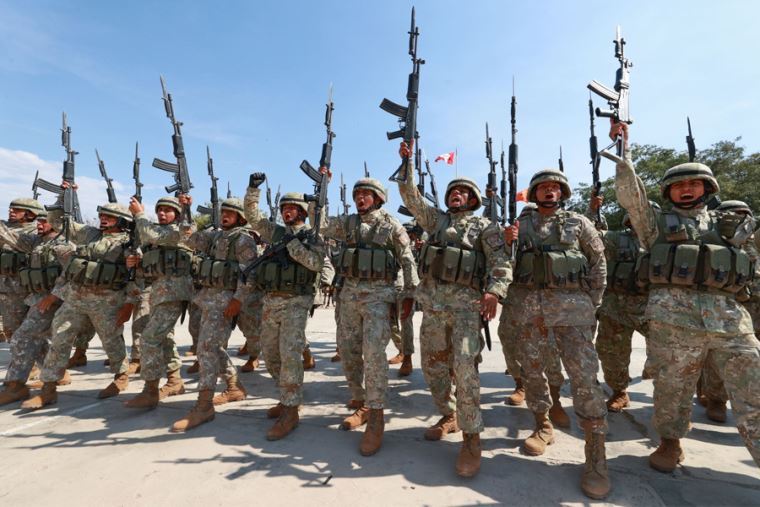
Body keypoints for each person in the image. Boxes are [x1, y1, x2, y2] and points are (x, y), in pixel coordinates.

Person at [612, 121, 760, 472]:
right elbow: (631, 197)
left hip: (729, 321)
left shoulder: (731, 224)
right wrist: (623, 153)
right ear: (668, 192)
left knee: (753, 386)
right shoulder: (655, 225)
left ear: (708, 188)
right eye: (679, 185)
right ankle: (670, 442)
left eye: (694, 183)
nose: (687, 190)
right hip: (673, 323)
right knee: (672, 388)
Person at [397, 140, 512, 478]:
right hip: (433, 310)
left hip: (466, 313)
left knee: (465, 370)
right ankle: (450, 415)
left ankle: (472, 437)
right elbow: (411, 198)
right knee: (432, 368)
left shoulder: (485, 227)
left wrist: (495, 292)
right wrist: (406, 164)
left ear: (473, 199)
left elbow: (501, 263)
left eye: (462, 192)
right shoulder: (435, 221)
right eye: (452, 191)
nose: (456, 195)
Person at [503, 168, 610, 499]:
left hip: (573, 313)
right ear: (535, 193)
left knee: (585, 378)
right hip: (529, 312)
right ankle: (542, 424)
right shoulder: (519, 225)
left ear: (562, 193)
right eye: (543, 188)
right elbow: (503, 265)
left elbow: (598, 262)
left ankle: (595, 454)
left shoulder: (579, 222)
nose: (549, 192)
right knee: (533, 372)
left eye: (555, 188)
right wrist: (506, 243)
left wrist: (591, 302)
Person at [320, 176, 418, 455]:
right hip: (349, 295)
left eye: (366, 194)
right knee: (348, 351)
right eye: (357, 194)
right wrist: (323, 189)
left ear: (378, 198)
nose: (360, 198)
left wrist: (410, 294)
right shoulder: (348, 223)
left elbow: (407, 258)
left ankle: (376, 415)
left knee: (374, 355)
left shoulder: (391, 225)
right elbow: (321, 224)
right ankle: (360, 400)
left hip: (379, 296)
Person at [22, 196, 137, 409]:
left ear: (121, 220)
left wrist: (129, 304)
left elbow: (135, 277)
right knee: (60, 337)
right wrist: (63, 195)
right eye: (101, 215)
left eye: (109, 216)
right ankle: (48, 388)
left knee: (111, 340)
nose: (103, 219)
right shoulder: (90, 233)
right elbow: (57, 222)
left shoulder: (129, 242)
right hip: (75, 297)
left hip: (107, 300)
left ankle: (121, 376)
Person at [244, 176, 326, 440]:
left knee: (290, 354)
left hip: (297, 301)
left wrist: (293, 246)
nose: (286, 212)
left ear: (302, 212)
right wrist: (253, 190)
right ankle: (288, 395)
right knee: (270, 354)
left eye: (292, 208)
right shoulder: (277, 233)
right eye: (284, 208)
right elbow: (253, 218)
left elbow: (316, 263)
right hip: (271, 300)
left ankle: (290, 410)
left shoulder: (312, 235)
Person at [170, 197, 258, 432]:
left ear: (241, 218)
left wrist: (238, 299)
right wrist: (186, 210)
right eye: (223, 212)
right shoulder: (215, 236)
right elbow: (188, 238)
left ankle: (204, 405)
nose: (225, 215)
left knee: (206, 348)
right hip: (208, 298)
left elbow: (250, 273)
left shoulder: (244, 240)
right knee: (212, 347)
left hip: (225, 300)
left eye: (231, 213)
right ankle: (234, 386)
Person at [123, 196, 192, 410]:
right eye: (159, 209)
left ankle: (150, 390)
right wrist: (136, 262)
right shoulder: (157, 236)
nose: (162, 213)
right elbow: (150, 262)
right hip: (158, 292)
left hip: (173, 292)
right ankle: (174, 381)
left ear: (177, 215)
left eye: (168, 210)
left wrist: (139, 214)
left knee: (149, 339)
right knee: (165, 338)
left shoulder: (179, 231)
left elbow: (150, 233)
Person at [0, 210, 72, 405]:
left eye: (44, 222)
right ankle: (56, 374)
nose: (39, 225)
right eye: (38, 221)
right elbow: (9, 236)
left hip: (52, 301)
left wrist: (53, 296)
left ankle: (15, 386)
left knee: (21, 337)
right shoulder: (36, 242)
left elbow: (72, 274)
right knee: (34, 338)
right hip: (36, 298)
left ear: (56, 223)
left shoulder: (64, 245)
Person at [0, 198, 45, 343]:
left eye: (17, 210)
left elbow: (18, 241)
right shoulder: (5, 226)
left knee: (31, 329)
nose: (11, 211)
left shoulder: (36, 231)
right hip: (7, 287)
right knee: (11, 329)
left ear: (31, 214)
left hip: (28, 287)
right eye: (10, 208)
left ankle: (34, 357)